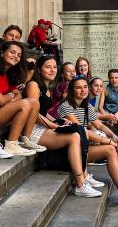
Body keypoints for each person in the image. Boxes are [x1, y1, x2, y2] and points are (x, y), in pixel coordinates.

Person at [58, 75, 118, 208]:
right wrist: (108, 142)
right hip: (70, 152)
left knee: (115, 148)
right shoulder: (66, 107)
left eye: (84, 87)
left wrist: (115, 137)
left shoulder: (86, 105)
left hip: (82, 149)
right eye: (78, 87)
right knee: (110, 149)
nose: (83, 90)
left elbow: (100, 125)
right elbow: (82, 131)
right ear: (72, 90)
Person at [25, 54, 102, 198]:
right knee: (74, 137)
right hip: (33, 130)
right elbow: (34, 113)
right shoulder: (33, 85)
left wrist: (57, 121)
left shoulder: (46, 88)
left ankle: (84, 177)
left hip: (43, 127)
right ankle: (80, 183)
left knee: (76, 132)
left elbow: (43, 113)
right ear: (39, 70)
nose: (52, 70)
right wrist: (53, 125)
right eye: (48, 67)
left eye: (54, 67)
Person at [0, 41, 44, 157]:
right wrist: (11, 96)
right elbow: (0, 100)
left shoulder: (8, 72)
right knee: (25, 104)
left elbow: (18, 93)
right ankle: (11, 144)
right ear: (2, 53)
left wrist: (11, 97)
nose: (16, 56)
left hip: (3, 111)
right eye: (12, 52)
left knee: (34, 102)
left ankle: (25, 139)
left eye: (19, 55)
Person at [99, 69, 118, 156]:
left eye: (116, 77)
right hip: (107, 111)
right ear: (108, 78)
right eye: (112, 78)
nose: (114, 80)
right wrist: (107, 117)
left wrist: (115, 116)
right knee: (97, 119)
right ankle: (101, 146)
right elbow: (100, 106)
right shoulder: (105, 89)